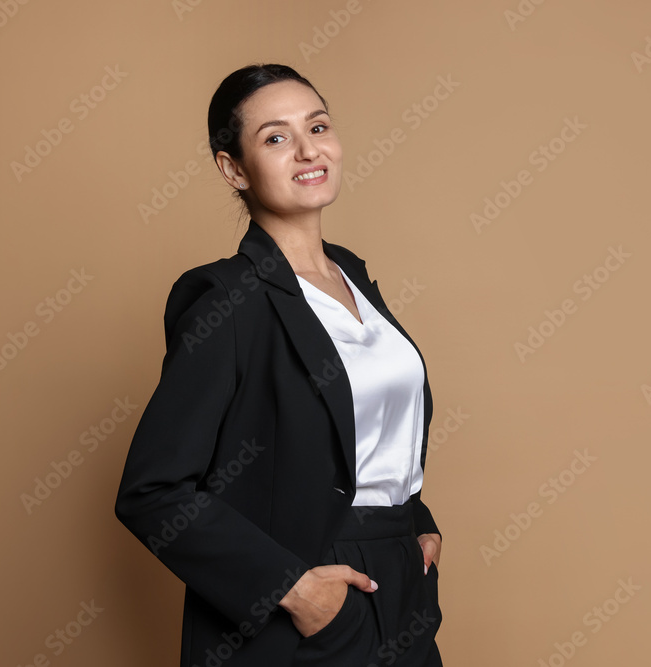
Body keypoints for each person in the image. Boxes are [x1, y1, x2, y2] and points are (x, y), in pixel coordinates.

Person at [114, 63, 444, 667]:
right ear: (233, 168)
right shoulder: (227, 301)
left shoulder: (353, 275)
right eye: (275, 138)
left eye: (317, 127)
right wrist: (290, 590)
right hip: (309, 606)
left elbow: (364, 430)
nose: (307, 150)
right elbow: (153, 492)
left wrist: (415, 522)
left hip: (403, 588)